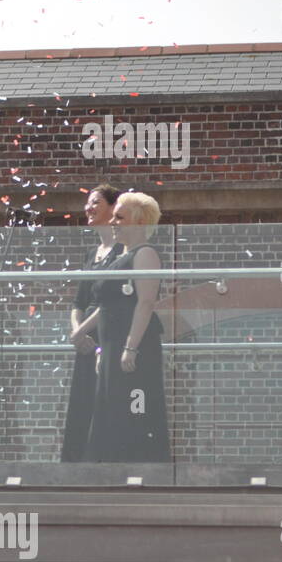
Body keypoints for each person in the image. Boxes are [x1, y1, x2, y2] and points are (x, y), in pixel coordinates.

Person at [84, 192, 171, 463]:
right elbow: (107, 305)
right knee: (110, 408)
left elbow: (145, 302)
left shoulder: (145, 254)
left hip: (132, 346)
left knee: (134, 406)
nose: (113, 222)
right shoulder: (119, 256)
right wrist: (101, 349)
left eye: (120, 217)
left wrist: (131, 347)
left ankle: (138, 464)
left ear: (139, 221)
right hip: (111, 346)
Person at [61, 185, 124, 462]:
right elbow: (78, 300)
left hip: (107, 332)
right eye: (87, 202)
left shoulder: (123, 250)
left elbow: (111, 301)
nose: (88, 208)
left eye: (95, 202)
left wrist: (82, 329)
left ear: (113, 208)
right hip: (84, 338)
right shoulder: (92, 252)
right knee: (83, 400)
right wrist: (76, 331)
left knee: (105, 401)